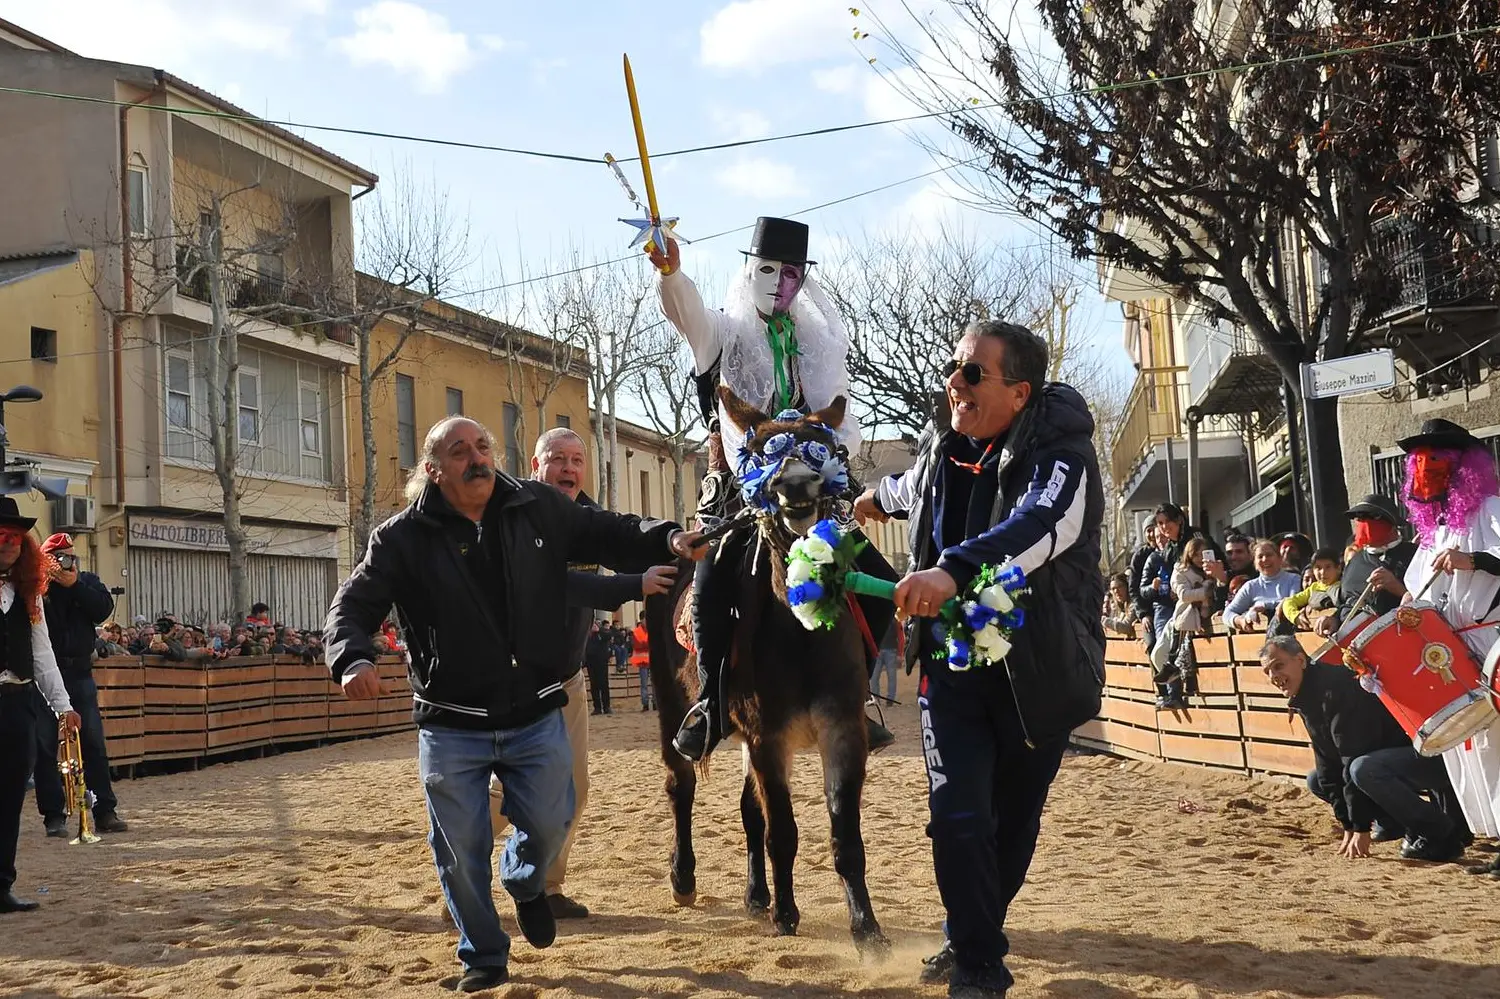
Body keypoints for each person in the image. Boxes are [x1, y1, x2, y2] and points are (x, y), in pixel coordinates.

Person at [324, 416, 703, 992]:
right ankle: (483, 957)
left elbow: (607, 529)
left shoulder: (537, 509)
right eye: (460, 451)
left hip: (535, 710)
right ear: (433, 469)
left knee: (554, 818)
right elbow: (352, 606)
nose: (476, 458)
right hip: (451, 721)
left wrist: (667, 536)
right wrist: (352, 657)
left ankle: (526, 880)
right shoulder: (400, 538)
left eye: (482, 446)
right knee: (461, 850)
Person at [857, 320, 1105, 997]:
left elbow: (1040, 525)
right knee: (958, 815)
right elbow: (912, 487)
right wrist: (869, 499)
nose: (955, 384)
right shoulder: (943, 443)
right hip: (952, 671)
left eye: (973, 373)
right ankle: (979, 964)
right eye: (954, 367)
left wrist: (953, 570)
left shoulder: (1064, 454)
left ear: (1019, 392)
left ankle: (969, 929)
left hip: (1038, 674)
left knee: (1011, 826)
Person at [649, 223, 897, 761]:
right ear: (749, 269)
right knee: (711, 587)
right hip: (742, 492)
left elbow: (842, 415)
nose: (780, 283)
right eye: (769, 270)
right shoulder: (723, 332)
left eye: (792, 274)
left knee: (881, 579)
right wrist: (671, 272)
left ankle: (860, 696)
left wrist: (826, 453)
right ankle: (712, 707)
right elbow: (685, 314)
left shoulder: (820, 345)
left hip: (813, 489)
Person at [499, 425, 675, 920]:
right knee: (501, 794)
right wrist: (633, 584)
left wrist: (673, 540)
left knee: (574, 787)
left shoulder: (586, 518)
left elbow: (626, 532)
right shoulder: (516, 515)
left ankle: (548, 888)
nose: (569, 469)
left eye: (577, 460)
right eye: (558, 458)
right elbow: (558, 584)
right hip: (515, 678)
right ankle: (462, 875)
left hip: (568, 676)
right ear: (536, 465)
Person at [1385, 419, 1500, 873]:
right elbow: (1419, 591)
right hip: (1450, 649)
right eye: (1419, 461)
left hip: (1491, 640)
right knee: (1469, 745)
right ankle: (1492, 833)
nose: (1424, 468)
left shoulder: (1491, 508)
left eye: (1435, 458)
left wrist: (1472, 561)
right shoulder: (1436, 529)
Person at [1259, 635, 1467, 862]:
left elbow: (1352, 755)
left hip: (1429, 756)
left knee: (1363, 768)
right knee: (1317, 779)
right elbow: (1327, 760)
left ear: (1300, 660)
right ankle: (1392, 822)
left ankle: (1441, 833)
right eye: (1267, 672)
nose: (1274, 677)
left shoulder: (1336, 686)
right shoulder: (1307, 695)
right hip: (1387, 763)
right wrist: (1348, 824)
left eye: (1278, 666)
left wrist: (1361, 827)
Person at [0, 499, 82, 913]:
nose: (8, 544)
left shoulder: (28, 594)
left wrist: (62, 705)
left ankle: (2, 885)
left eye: (14, 538)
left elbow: (42, 653)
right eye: (1, 537)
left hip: (17, 704)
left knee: (11, 795)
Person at [30, 534, 126, 837]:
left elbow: (102, 608)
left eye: (70, 556)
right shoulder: (35, 587)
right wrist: (48, 583)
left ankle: (104, 811)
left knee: (93, 743)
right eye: (58, 557)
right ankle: (54, 816)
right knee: (45, 747)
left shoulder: (88, 582)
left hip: (80, 673)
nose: (65, 563)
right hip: (45, 675)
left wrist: (74, 585)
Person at [1316, 494, 1418, 638]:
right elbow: (1347, 603)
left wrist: (1398, 588)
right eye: (1359, 518)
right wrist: (1334, 619)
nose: (1364, 523)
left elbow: (1430, 603)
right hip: (1359, 647)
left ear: (1392, 522)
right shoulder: (1354, 562)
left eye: (1373, 517)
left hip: (1404, 639)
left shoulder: (1414, 555)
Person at [1158, 537, 1214, 709]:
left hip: (1204, 616)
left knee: (1185, 655)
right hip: (1186, 616)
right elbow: (1184, 595)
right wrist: (1206, 590)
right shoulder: (1180, 570)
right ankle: (1173, 689)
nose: (1199, 558)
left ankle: (1177, 691)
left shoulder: (1210, 568)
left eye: (1201, 554)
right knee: (1172, 652)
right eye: (1195, 554)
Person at [1222, 540, 1302, 633]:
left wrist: (1263, 606)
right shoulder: (1251, 586)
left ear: (1280, 558)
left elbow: (1292, 602)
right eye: (1260, 556)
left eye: (1269, 555)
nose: (1264, 559)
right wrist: (1241, 621)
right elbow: (1227, 613)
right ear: (1255, 563)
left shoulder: (1294, 579)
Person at [1277, 548, 1342, 634]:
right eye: (1318, 568)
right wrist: (1296, 616)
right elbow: (1289, 601)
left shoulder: (1344, 586)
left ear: (1338, 568)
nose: (1322, 572)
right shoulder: (1314, 588)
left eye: (1328, 567)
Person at [583, 624, 612, 716]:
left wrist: (599, 630)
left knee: (604, 684)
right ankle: (597, 707)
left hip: (601, 661)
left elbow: (609, 636)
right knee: (594, 684)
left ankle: (606, 706)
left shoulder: (602, 631)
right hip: (591, 662)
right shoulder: (586, 632)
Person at [1102, 573, 1137, 639]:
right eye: (1113, 589)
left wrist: (1102, 620)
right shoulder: (1120, 607)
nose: (1116, 591)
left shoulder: (1134, 605)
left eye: (1120, 586)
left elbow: (1126, 627)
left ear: (1127, 587)